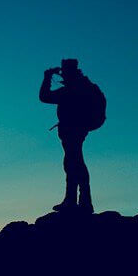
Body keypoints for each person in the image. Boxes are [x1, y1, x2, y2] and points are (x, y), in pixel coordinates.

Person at [39, 59, 101, 214]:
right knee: (72, 162)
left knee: (75, 162)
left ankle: (81, 202)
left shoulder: (72, 90)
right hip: (76, 129)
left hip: (73, 129)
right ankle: (74, 200)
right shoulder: (83, 87)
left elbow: (44, 97)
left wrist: (47, 77)